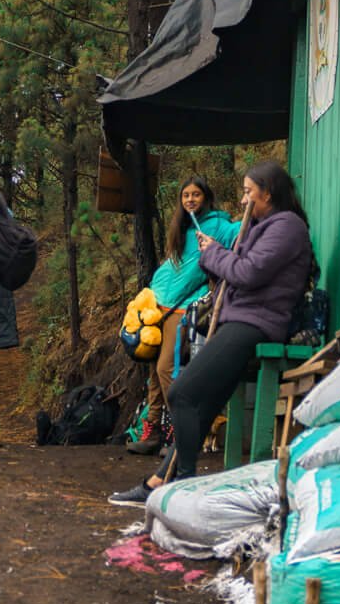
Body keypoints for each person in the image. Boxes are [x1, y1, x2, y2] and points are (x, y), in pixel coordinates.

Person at [110, 160, 312, 506]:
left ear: (269, 192)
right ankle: (160, 480)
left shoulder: (287, 226)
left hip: (254, 324)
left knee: (182, 394)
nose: (245, 200)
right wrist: (216, 255)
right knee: (200, 406)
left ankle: (183, 485)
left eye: (249, 192)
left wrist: (214, 253)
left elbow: (247, 273)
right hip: (243, 319)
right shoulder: (266, 226)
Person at [127, 178, 240, 460]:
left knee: (167, 368)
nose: (190, 200)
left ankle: (183, 430)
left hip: (184, 307)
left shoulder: (216, 225)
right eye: (186, 195)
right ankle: (152, 430)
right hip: (160, 304)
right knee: (154, 372)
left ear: (207, 197)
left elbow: (239, 234)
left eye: (196, 194)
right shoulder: (182, 227)